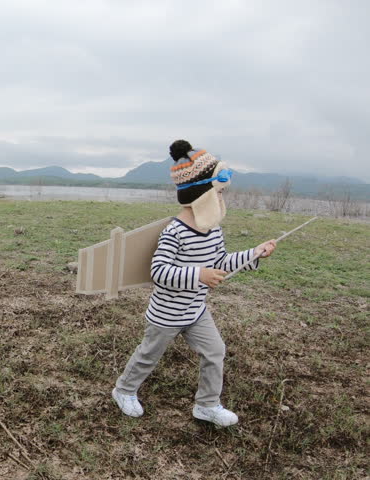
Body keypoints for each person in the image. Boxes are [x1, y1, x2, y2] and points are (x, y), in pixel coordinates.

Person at [111, 140, 276, 427]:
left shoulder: (213, 230)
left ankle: (207, 404)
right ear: (201, 194)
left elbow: (221, 262)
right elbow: (159, 272)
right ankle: (124, 390)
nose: (222, 200)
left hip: (196, 311)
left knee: (215, 352)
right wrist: (198, 274)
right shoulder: (175, 232)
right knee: (148, 355)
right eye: (219, 193)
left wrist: (255, 253)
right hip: (166, 314)